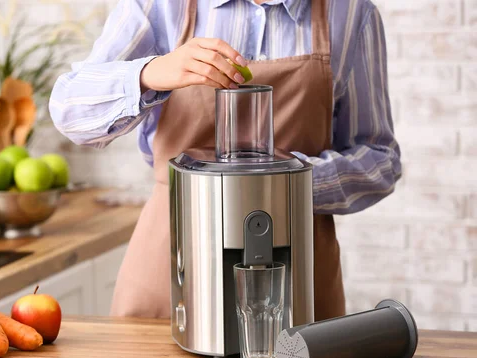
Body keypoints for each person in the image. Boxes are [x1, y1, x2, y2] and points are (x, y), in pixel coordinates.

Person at [49, 0, 401, 321]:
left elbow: (380, 159)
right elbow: (69, 109)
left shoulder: (351, 13)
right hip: (173, 262)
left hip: (297, 274)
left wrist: (290, 182)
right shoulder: (160, 7)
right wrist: (150, 72)